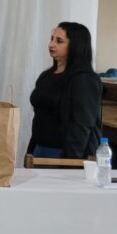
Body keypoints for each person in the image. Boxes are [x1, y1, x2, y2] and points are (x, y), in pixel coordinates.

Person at [27, 22, 102, 159]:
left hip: (64, 154)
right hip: (40, 149)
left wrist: (69, 163)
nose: (51, 44)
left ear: (75, 46)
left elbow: (82, 125)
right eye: (52, 39)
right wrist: (30, 152)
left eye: (59, 41)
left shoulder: (84, 79)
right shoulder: (46, 76)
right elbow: (40, 117)